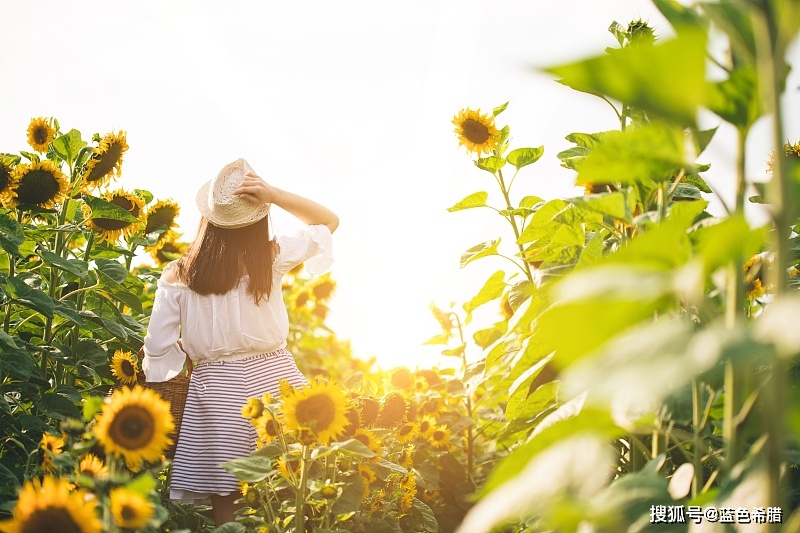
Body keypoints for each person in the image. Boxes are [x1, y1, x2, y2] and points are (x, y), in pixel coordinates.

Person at [142, 158, 338, 525]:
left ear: (207, 220)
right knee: (295, 483)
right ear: (258, 219)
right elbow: (327, 222)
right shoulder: (271, 256)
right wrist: (275, 195)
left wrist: (181, 352)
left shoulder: (179, 273)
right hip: (276, 376)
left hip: (216, 388)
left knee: (227, 498)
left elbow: (158, 347)